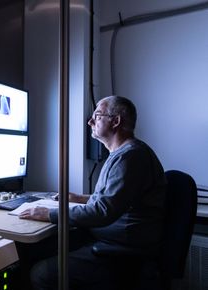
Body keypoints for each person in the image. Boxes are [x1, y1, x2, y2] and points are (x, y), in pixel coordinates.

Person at [19, 95, 167, 290]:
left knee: (41, 274)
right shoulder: (124, 154)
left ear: (116, 121)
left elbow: (103, 212)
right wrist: (80, 198)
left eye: (97, 115)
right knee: (36, 249)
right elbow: (116, 200)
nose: (90, 121)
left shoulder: (131, 157)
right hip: (111, 241)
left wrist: (49, 214)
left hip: (122, 252)